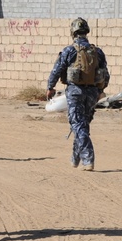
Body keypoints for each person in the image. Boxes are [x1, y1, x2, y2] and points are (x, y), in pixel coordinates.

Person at [45, 18, 110, 170]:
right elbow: (105, 75)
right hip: (92, 93)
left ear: (72, 32)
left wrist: (50, 87)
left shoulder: (69, 50)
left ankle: (88, 158)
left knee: (78, 124)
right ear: (86, 32)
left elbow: (57, 70)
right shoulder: (97, 52)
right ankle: (75, 158)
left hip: (75, 92)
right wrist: (100, 91)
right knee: (82, 125)